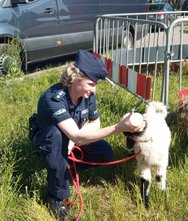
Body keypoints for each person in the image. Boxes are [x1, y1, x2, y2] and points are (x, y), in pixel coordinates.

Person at [31, 50, 145, 220]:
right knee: (55, 136)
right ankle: (56, 196)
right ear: (76, 77)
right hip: (47, 140)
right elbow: (76, 136)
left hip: (72, 137)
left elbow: (94, 122)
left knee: (104, 153)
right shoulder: (53, 99)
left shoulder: (87, 95)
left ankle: (63, 169)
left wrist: (73, 141)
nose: (93, 90)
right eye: (91, 84)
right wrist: (118, 127)